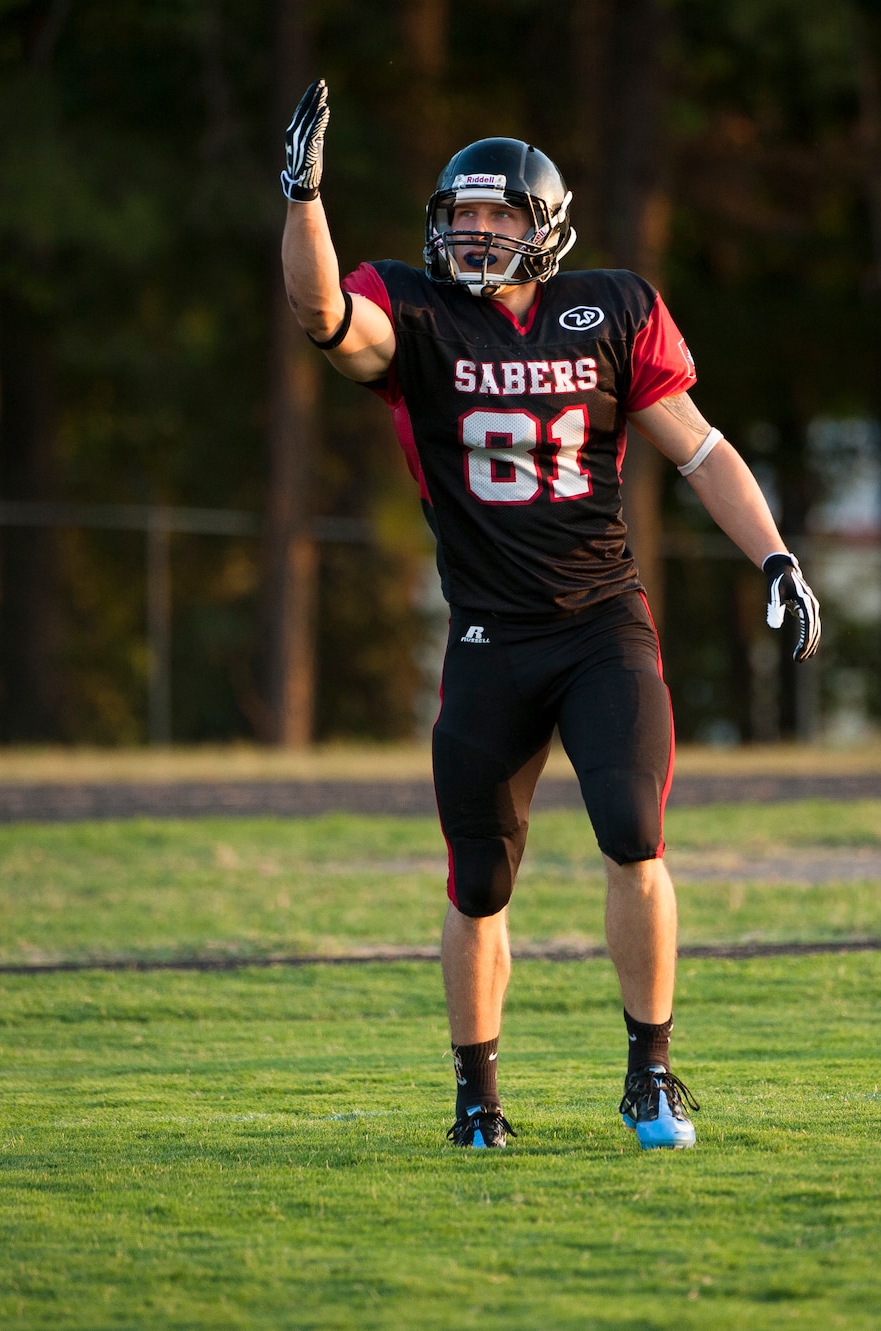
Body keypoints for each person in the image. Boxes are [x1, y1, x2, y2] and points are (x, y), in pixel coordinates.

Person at [276, 80, 820, 1150]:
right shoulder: (415, 313)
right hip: (488, 634)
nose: (475, 236)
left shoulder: (610, 308)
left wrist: (775, 554)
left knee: (632, 832)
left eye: (498, 217)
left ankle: (650, 1076)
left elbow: (699, 447)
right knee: (477, 877)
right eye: (461, 218)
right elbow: (326, 321)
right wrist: (302, 198)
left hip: (598, 623)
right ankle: (476, 1097)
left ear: (545, 225)